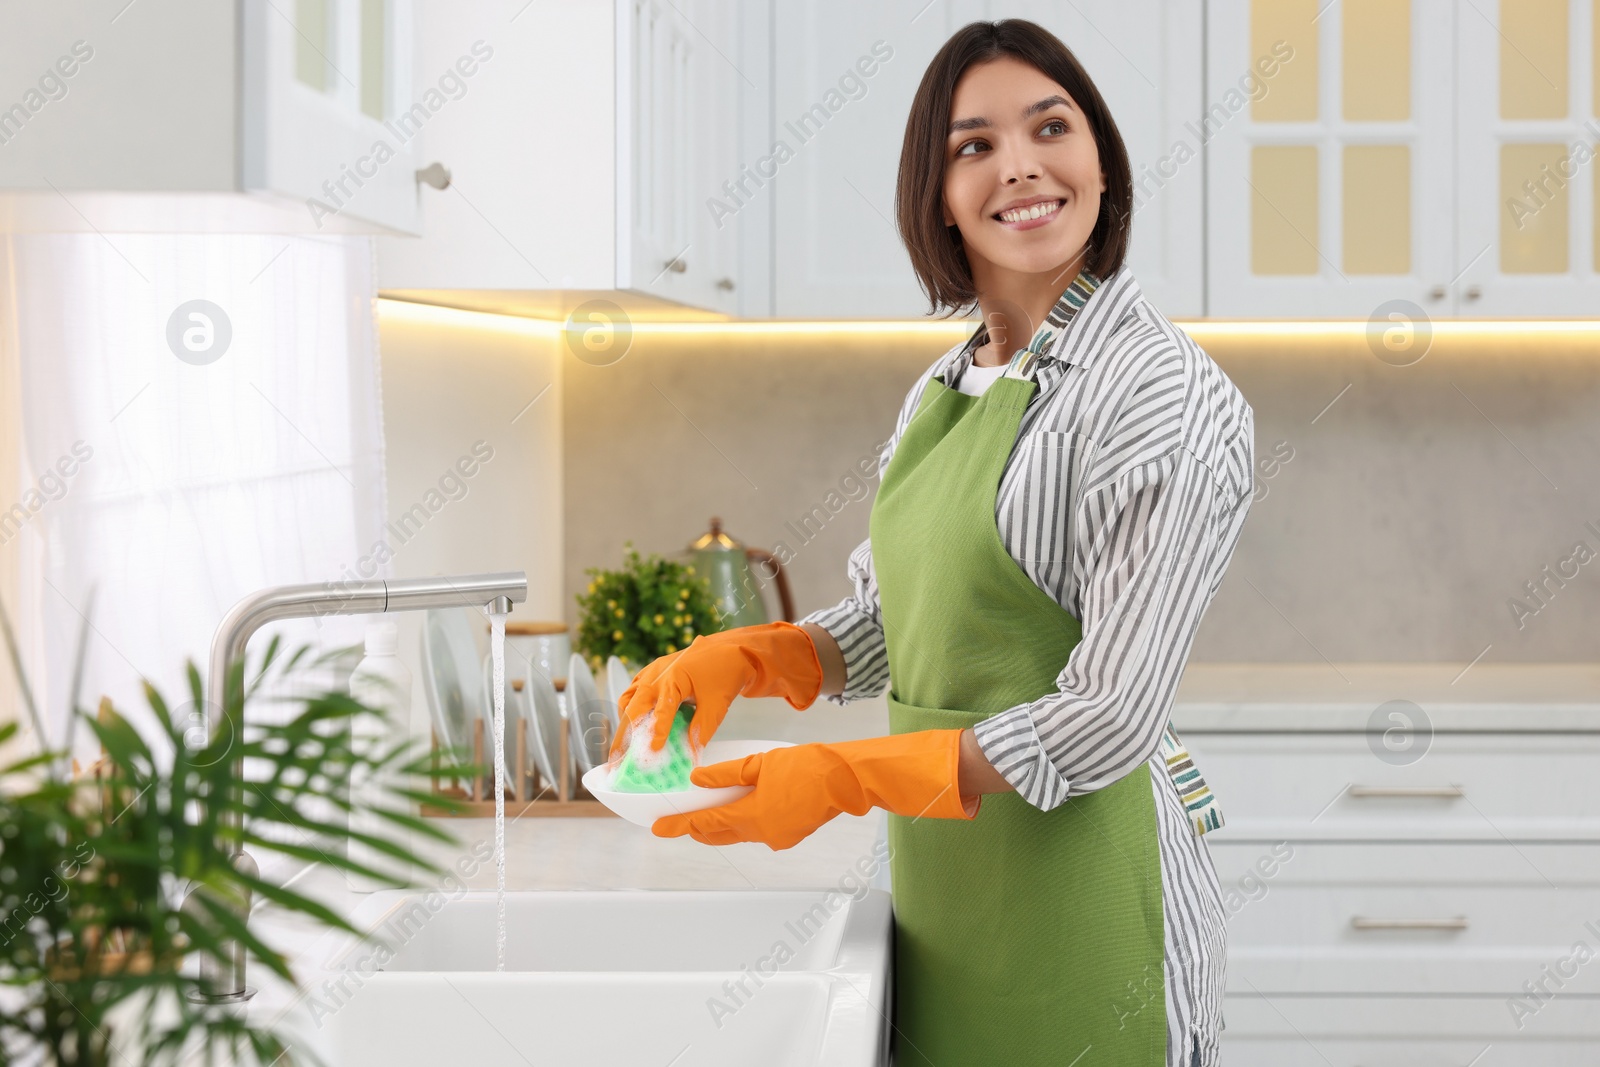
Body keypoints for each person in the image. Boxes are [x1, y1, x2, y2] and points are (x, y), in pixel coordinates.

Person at [609, 19, 1254, 1067]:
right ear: (937, 192)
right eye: (974, 145)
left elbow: (1109, 717)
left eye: (1052, 126)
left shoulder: (1161, 392)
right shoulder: (944, 387)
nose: (1021, 166)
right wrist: (763, 655)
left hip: (1092, 900)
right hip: (952, 900)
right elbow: (891, 623)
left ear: (1102, 161)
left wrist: (845, 775)